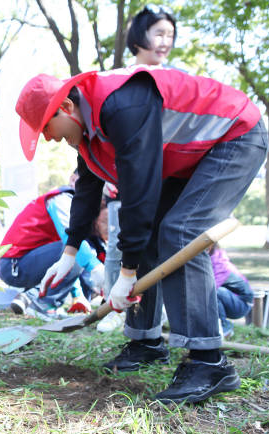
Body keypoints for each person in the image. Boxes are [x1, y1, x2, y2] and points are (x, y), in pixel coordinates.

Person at [16, 65, 267, 404]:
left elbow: (139, 192)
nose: (49, 138)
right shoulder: (88, 130)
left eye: (47, 128)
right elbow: (88, 188)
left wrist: (127, 273)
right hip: (188, 155)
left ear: (66, 108)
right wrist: (69, 253)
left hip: (234, 135)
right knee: (152, 236)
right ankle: (147, 343)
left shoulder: (122, 106)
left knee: (181, 232)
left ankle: (209, 363)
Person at [99, 4, 178, 333]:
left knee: (164, 243)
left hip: (163, 177)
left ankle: (162, 322)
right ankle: (121, 315)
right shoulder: (124, 83)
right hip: (127, 182)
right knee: (123, 245)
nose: (165, 42)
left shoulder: (175, 79)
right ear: (138, 36)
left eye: (170, 36)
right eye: (158, 33)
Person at [0, 173, 106, 320]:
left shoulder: (81, 208)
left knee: (84, 248)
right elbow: (70, 243)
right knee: (78, 248)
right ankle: (41, 305)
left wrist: (78, 296)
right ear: (74, 180)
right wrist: (95, 267)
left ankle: (32, 297)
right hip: (13, 265)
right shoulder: (62, 199)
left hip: (28, 261)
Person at [209, 244, 253, 338]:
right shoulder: (214, 258)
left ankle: (225, 327)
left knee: (212, 291)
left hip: (242, 304)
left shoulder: (219, 264)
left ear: (210, 247)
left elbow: (212, 287)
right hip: (233, 300)